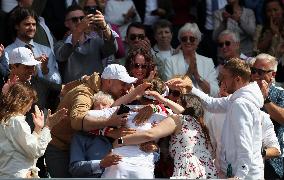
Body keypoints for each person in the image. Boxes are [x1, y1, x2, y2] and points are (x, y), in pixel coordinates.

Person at [169, 58, 264, 179]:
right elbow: (211, 104)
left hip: (245, 175)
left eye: (224, 77)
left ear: (237, 79)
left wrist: (240, 175)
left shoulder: (240, 103)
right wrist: (191, 88)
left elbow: (244, 141)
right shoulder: (237, 100)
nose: (221, 81)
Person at [45, 64, 138, 177]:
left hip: (84, 147)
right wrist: (109, 122)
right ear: (109, 82)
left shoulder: (108, 92)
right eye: (123, 84)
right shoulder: (84, 93)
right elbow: (77, 120)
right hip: (61, 149)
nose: (125, 88)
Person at [112, 93, 218, 179]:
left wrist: (121, 140)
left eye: (177, 102)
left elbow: (149, 134)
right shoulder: (200, 126)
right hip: (208, 171)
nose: (171, 107)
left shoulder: (179, 119)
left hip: (189, 170)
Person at [0, 82, 66, 178]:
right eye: (29, 103)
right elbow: (35, 150)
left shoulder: (6, 119)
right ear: (21, 101)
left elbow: (28, 149)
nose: (29, 108)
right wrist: (48, 126)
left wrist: (38, 129)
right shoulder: (16, 120)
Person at [55, 5, 117, 83]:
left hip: (96, 90)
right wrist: (79, 29)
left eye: (82, 18)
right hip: (73, 92)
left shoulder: (96, 40)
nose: (79, 22)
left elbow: (113, 49)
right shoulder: (60, 44)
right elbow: (62, 55)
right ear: (66, 24)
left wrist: (105, 27)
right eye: (74, 20)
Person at [4, 7, 61, 84]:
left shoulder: (46, 51)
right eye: (27, 24)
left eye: (34, 24)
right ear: (17, 26)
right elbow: (8, 79)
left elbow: (58, 82)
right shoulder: (8, 52)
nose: (32, 28)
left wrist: (45, 71)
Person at [250, 53, 284, 179]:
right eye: (253, 71)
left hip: (273, 162)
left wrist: (266, 100)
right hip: (248, 160)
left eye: (260, 72)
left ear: (273, 75)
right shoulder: (245, 92)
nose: (255, 75)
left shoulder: (280, 94)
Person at [164, 22, 219, 97]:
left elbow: (215, 92)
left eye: (192, 39)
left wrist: (198, 77)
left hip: (203, 106)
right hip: (180, 105)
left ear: (198, 41)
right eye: (184, 39)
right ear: (180, 41)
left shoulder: (208, 62)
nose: (188, 41)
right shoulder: (170, 61)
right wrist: (189, 73)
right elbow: (169, 90)